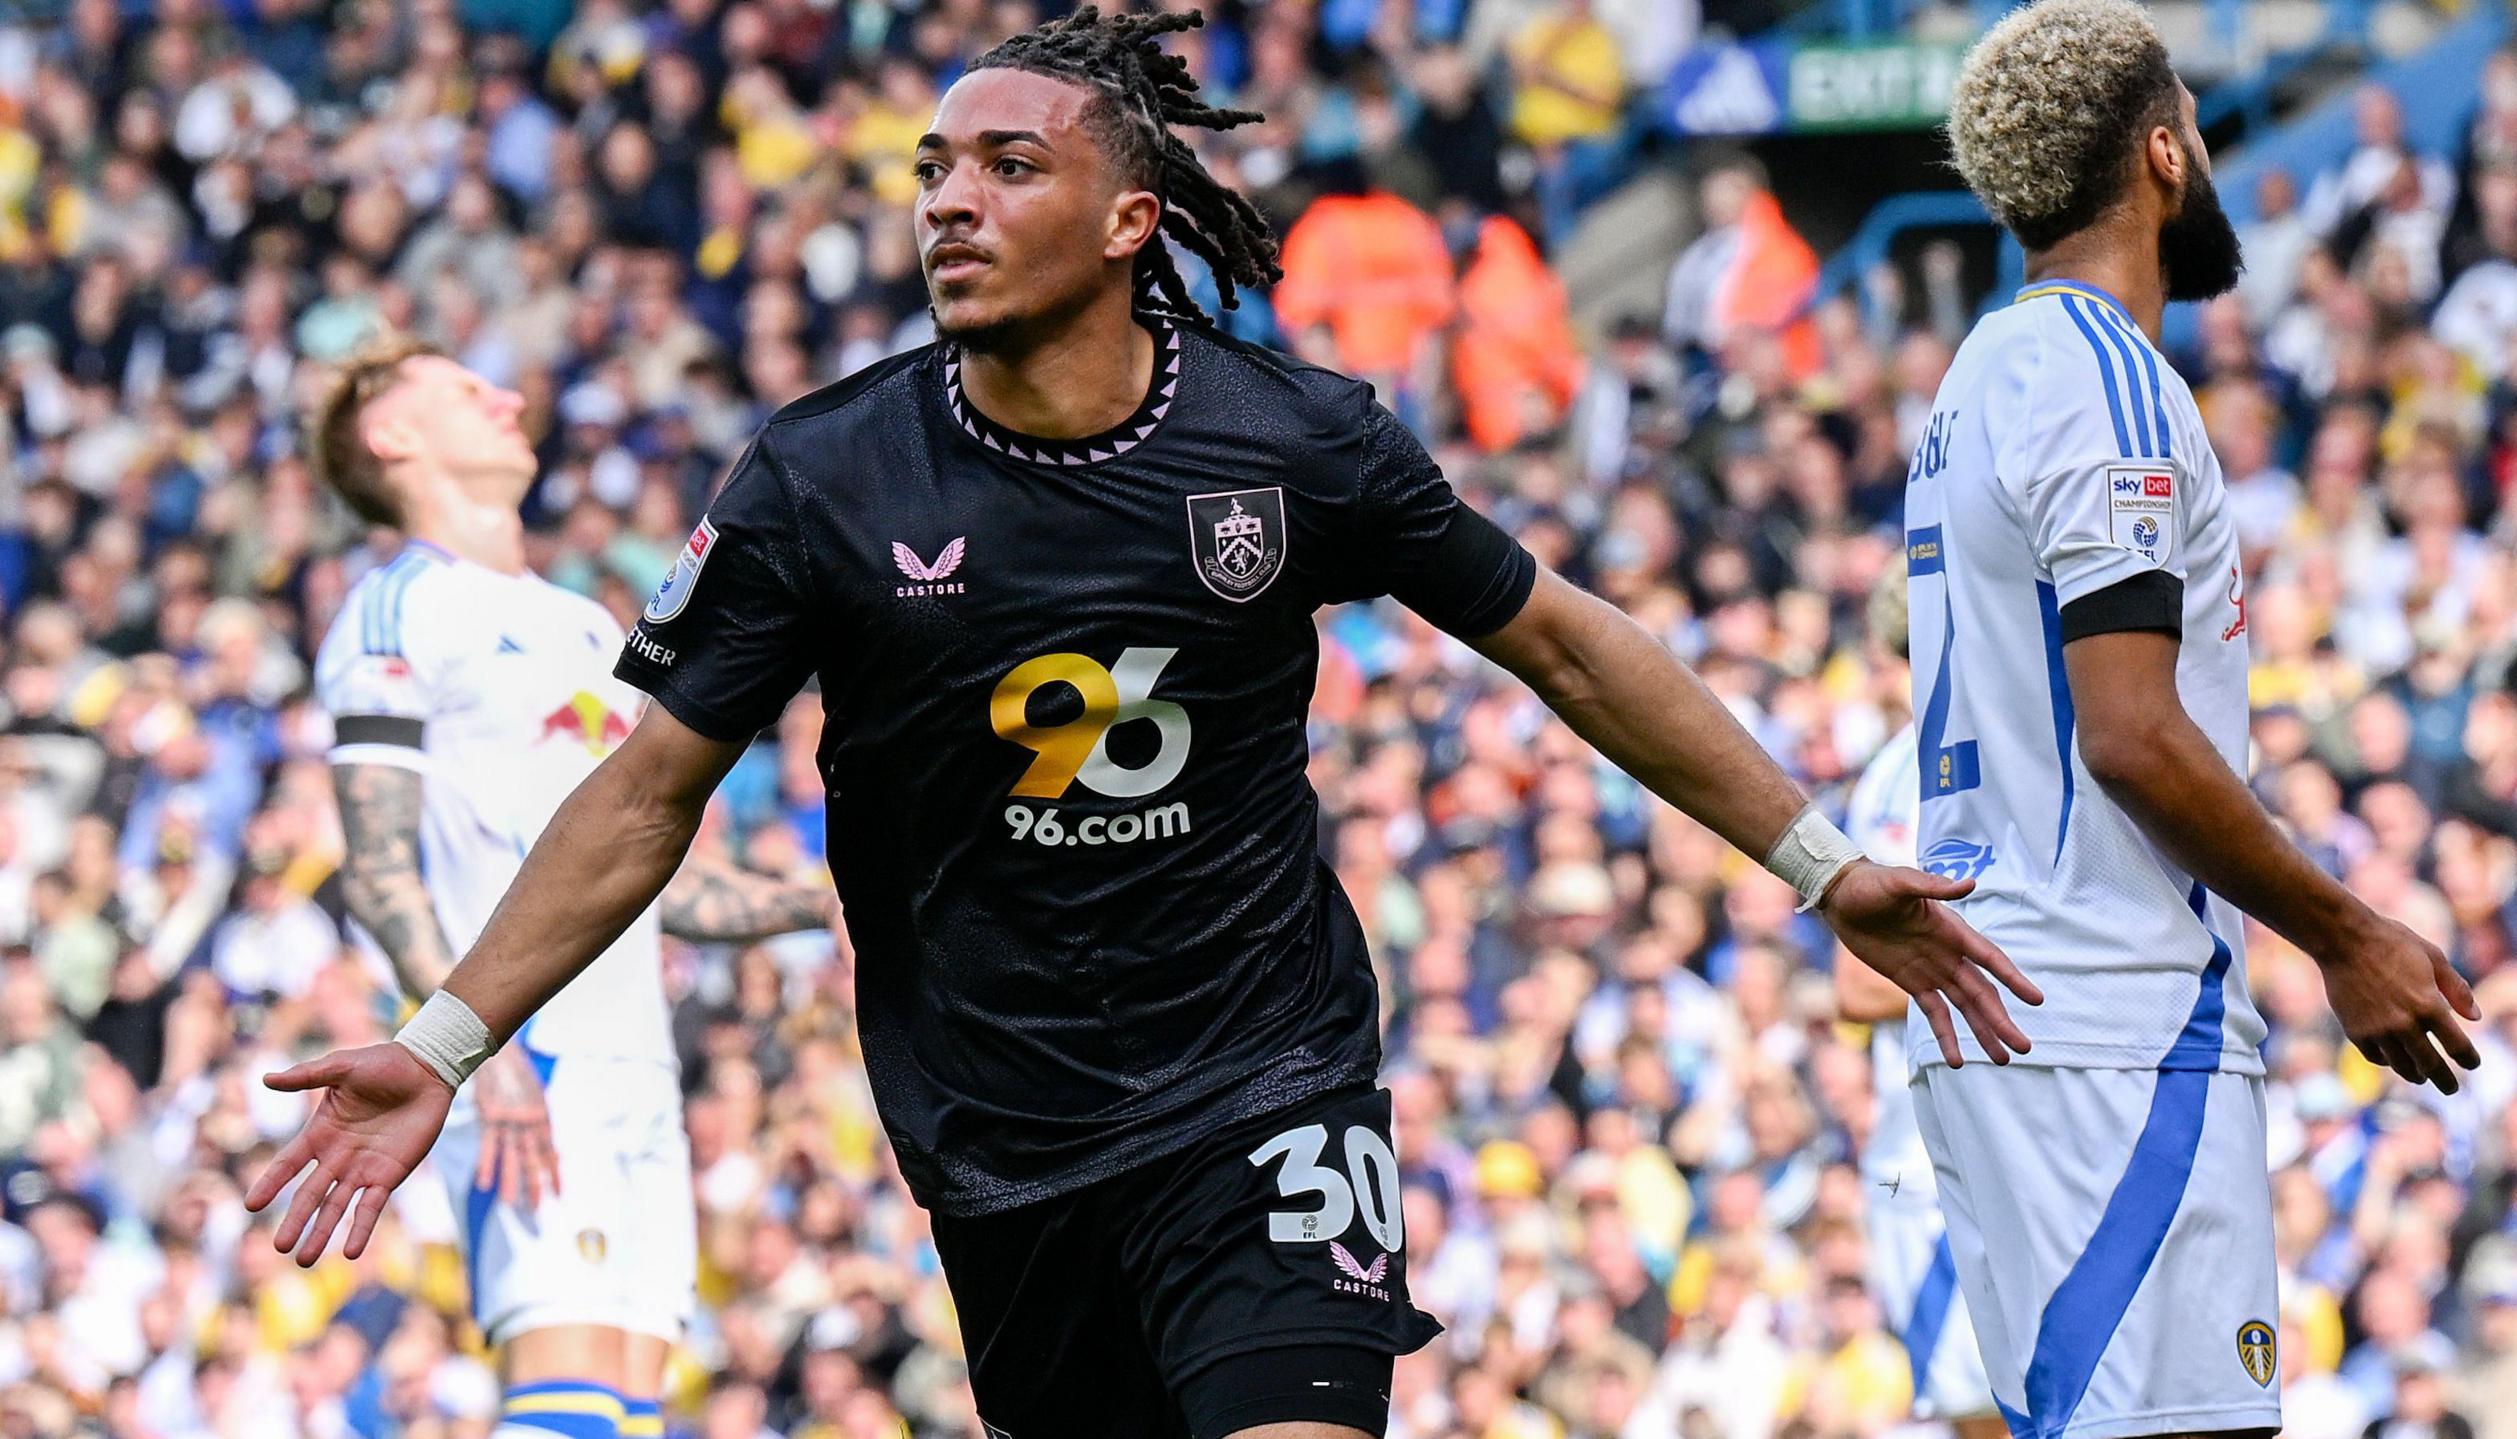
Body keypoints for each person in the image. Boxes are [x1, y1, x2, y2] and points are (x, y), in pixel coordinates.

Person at [248, 10, 2037, 1438]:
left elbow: (1564, 646)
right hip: (998, 1127)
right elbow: (648, 795)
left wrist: (1818, 862)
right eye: (933, 168)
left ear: (1126, 218)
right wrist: (450, 1033)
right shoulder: (819, 475)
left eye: (1006, 167)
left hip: (1267, 1079)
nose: (946, 200)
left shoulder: (1295, 441)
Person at [1913, 3, 2482, 1437]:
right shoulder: (2107, 377)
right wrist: (2350, 933)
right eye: (2203, 134)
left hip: (2030, 1007)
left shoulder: (1976, 375)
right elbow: (2129, 730)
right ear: (2164, 153)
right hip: (2105, 1013)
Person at [302, 337, 840, 1439]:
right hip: (524, 1056)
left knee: (628, 1405)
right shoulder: (397, 610)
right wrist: (466, 1050)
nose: (507, 396)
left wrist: (815, 900)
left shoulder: (587, 624)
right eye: (464, 389)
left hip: (634, 1057)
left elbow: (650, 868)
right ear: (391, 435)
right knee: (563, 1400)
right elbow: (376, 862)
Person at [1834, 568, 2002, 1439]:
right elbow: (1862, 979)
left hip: (1947, 1140)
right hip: (1946, 1127)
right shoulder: (1912, 771)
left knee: (1987, 1397)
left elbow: (1857, 984)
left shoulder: (1909, 771)